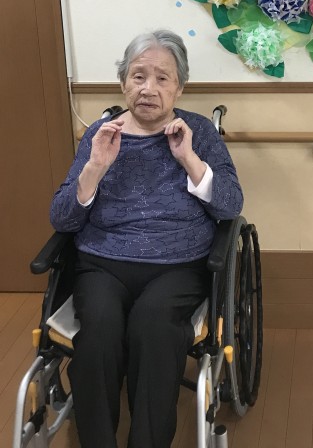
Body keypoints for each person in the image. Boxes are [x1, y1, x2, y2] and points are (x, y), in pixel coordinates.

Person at [50, 30, 243, 448]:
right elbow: (62, 218)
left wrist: (189, 159)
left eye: (162, 78)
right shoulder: (100, 133)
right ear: (123, 82)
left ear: (179, 86)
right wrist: (95, 168)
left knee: (154, 329)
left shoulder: (198, 132)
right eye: (138, 76)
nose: (148, 88)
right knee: (98, 334)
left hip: (178, 266)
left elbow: (230, 206)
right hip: (102, 264)